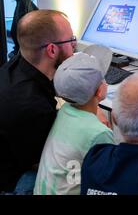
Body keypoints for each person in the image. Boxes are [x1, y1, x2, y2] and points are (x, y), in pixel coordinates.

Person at [0, 10, 76, 194]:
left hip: (13, 155)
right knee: (78, 172)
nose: (75, 46)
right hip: (13, 179)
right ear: (51, 50)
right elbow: (49, 160)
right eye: (71, 40)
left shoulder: (15, 65)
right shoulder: (32, 106)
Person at [34, 45, 115, 195]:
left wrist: (96, 110)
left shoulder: (65, 110)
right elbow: (110, 178)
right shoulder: (100, 133)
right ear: (99, 90)